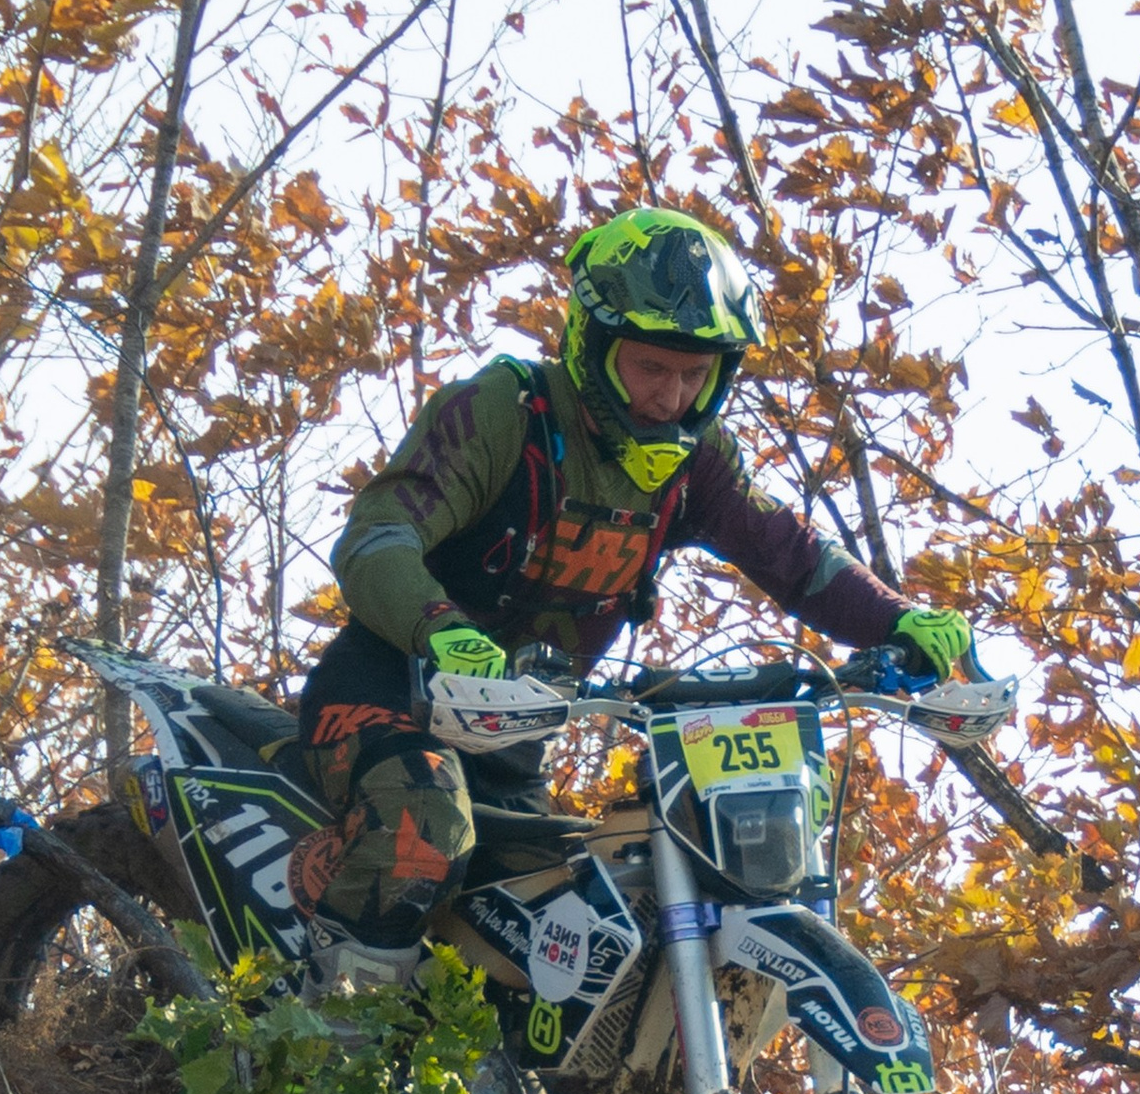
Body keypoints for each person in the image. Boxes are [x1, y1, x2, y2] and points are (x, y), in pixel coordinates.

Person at [289, 205, 979, 995]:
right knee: (427, 828)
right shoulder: (504, 411)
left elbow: (792, 558)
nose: (670, 396)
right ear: (592, 343)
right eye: (651, 367)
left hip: (513, 745)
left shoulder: (699, 462)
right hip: (389, 700)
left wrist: (900, 620)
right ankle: (332, 1048)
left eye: (696, 374)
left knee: (573, 940)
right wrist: (443, 632)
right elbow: (377, 537)